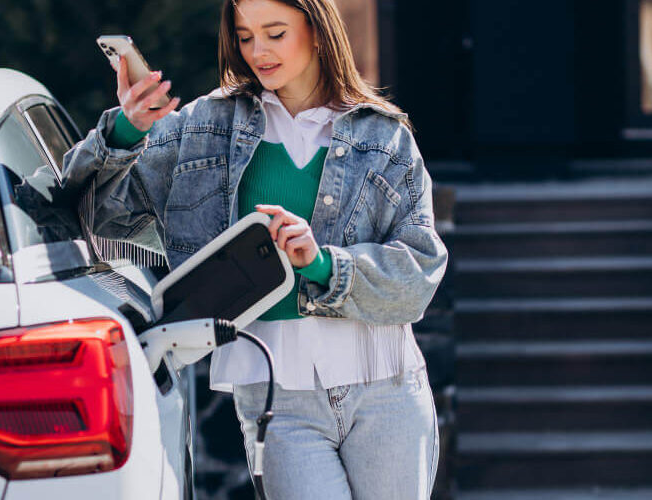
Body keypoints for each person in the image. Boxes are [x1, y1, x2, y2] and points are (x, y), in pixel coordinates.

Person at [61, 0, 447, 497]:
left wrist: (323, 263)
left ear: (317, 31)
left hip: (387, 389)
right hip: (279, 400)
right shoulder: (204, 127)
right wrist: (126, 130)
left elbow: (420, 270)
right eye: (245, 37)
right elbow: (89, 211)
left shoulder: (384, 137)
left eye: (275, 33)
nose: (258, 52)